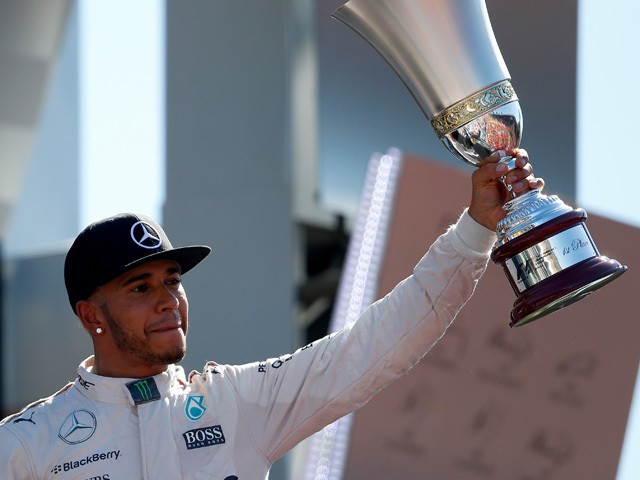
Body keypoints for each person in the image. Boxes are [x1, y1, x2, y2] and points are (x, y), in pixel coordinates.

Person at [0, 149, 542, 479]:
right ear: (91, 315)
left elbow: (379, 344)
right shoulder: (29, 442)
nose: (168, 299)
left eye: (173, 280)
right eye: (140, 287)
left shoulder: (234, 402)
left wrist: (476, 228)